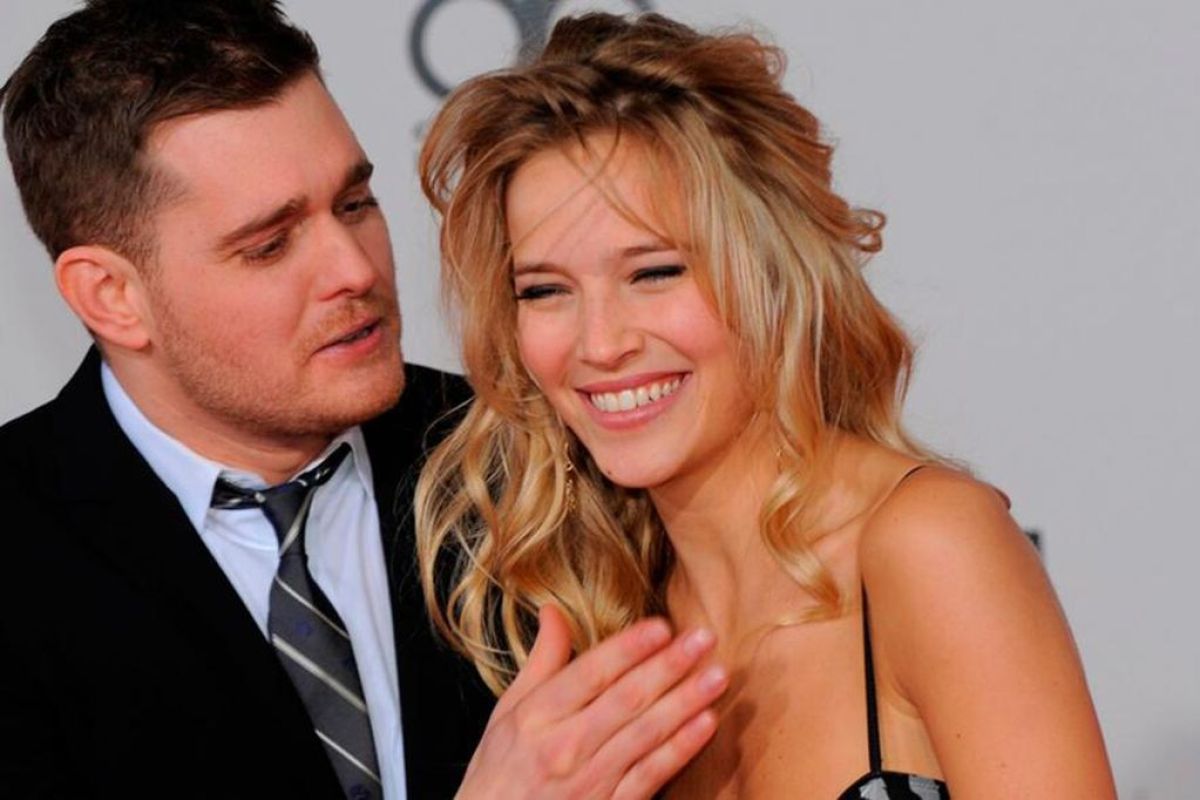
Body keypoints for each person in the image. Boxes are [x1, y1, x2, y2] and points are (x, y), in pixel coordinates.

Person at [0, 2, 725, 798]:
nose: (355, 269)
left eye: (354, 205)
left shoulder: (531, 451)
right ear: (110, 296)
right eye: (269, 245)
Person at [416, 12, 1118, 798]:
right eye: (545, 290)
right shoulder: (597, 634)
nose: (600, 344)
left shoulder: (929, 547)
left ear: (772, 273)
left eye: (654, 273)